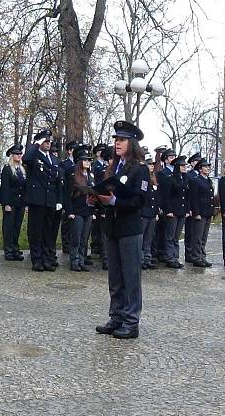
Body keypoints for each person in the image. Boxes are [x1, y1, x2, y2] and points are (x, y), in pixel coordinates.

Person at [92, 120, 149, 339]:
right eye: (116, 139)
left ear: (131, 143)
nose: (117, 143)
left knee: (130, 276)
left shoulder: (140, 169)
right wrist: (95, 199)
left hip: (130, 229)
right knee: (115, 276)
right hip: (112, 227)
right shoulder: (113, 167)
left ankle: (131, 321)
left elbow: (139, 200)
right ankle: (116, 316)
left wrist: (115, 201)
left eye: (122, 140)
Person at [22, 130, 64, 272]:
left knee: (49, 232)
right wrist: (36, 144)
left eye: (49, 141)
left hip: (51, 200)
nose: (49, 143)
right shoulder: (34, 156)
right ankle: (37, 259)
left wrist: (59, 200)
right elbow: (25, 159)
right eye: (46, 141)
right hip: (37, 200)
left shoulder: (55, 160)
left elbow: (59, 181)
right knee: (36, 231)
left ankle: (47, 259)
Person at [63, 144, 95, 272]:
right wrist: (70, 211)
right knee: (76, 237)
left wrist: (94, 210)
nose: (88, 162)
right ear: (80, 161)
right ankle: (74, 261)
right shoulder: (73, 175)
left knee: (84, 238)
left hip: (88, 210)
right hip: (77, 211)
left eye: (89, 160)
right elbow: (67, 195)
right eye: (85, 160)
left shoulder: (91, 176)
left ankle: (81, 261)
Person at [161, 155, 189, 269]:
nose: (184, 167)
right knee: (170, 236)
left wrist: (187, 209)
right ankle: (170, 258)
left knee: (176, 237)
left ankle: (175, 257)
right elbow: (166, 196)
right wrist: (168, 210)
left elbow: (186, 196)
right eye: (182, 165)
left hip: (181, 211)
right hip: (173, 210)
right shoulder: (171, 178)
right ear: (177, 167)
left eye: (184, 165)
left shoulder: (185, 178)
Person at [0, 144, 26, 261]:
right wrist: (6, 204)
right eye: (16, 154)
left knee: (17, 227)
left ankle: (15, 248)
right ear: (12, 155)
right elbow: (4, 187)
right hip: (10, 203)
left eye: (20, 154)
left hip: (20, 203)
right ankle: (8, 250)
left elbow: (25, 187)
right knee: (9, 227)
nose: (19, 156)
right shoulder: (7, 168)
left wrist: (25, 204)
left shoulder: (22, 169)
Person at [188, 158, 215, 267]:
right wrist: (196, 213)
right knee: (197, 237)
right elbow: (194, 198)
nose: (207, 168)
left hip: (208, 212)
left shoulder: (208, 180)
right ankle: (196, 257)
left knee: (204, 237)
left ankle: (202, 256)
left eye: (208, 166)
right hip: (200, 212)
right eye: (205, 166)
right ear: (200, 169)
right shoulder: (196, 180)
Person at [140, 153, 160, 270]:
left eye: (152, 164)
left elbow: (156, 198)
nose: (152, 166)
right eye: (149, 164)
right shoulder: (143, 179)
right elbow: (142, 196)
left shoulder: (154, 179)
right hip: (144, 212)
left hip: (152, 213)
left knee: (149, 237)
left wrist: (156, 212)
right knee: (142, 237)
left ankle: (147, 258)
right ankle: (141, 259)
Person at [89, 143, 109, 261]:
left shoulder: (108, 167)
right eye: (99, 151)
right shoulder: (94, 166)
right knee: (96, 228)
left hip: (107, 199)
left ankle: (103, 251)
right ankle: (96, 248)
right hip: (98, 199)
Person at [183, 152, 202, 263]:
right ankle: (189, 253)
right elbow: (188, 194)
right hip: (191, 208)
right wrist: (189, 208)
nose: (198, 163)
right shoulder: (189, 175)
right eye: (196, 161)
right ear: (192, 163)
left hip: (199, 208)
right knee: (190, 232)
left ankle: (196, 252)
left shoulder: (200, 176)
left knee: (197, 233)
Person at [60, 141, 77, 255]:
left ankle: (73, 244)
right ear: (69, 151)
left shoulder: (79, 164)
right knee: (66, 223)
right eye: (74, 149)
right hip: (67, 195)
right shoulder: (64, 164)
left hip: (77, 198)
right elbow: (62, 183)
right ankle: (66, 245)